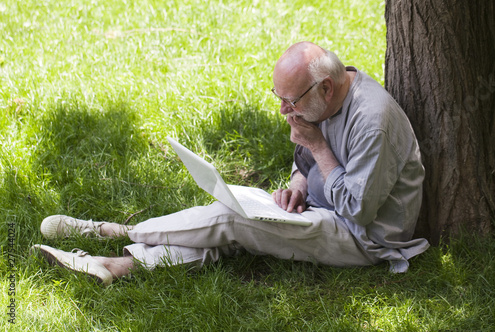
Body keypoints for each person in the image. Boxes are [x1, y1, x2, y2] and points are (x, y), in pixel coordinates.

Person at [32, 41, 429, 286]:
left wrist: (319, 149)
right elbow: (306, 160)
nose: (282, 110)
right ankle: (117, 266)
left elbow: (358, 210)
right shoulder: (325, 98)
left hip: (364, 237)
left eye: (290, 102)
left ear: (326, 87)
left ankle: (111, 230)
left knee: (232, 219)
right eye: (279, 97)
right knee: (234, 230)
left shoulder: (372, 122)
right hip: (321, 207)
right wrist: (299, 184)